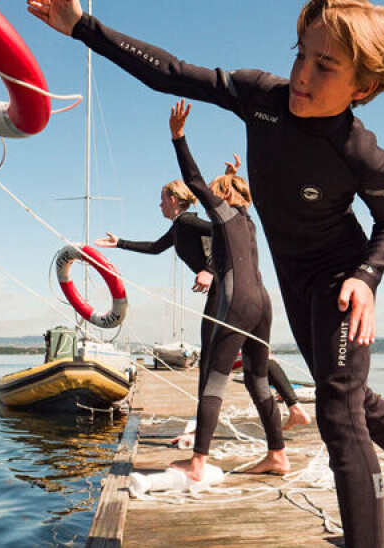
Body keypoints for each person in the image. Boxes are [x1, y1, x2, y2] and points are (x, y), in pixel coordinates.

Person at [26, 1, 384, 546]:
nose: (302, 75)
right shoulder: (262, 97)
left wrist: (367, 276)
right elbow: (170, 72)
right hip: (294, 281)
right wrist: (82, 28)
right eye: (301, 54)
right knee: (353, 400)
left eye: (325, 66)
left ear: (363, 87)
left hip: (339, 278)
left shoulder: (360, 152)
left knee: (338, 414)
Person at [94, 163, 312, 431]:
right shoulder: (178, 228)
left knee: (211, 357)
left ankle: (200, 427)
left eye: (162, 199)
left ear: (173, 199)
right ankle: (294, 406)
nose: (159, 205)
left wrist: (209, 270)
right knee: (249, 352)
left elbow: (224, 231)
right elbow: (154, 248)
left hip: (225, 288)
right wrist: (119, 243)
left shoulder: (187, 221)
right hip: (227, 290)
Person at [162, 99, 289, 480]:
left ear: (227, 198)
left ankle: (198, 462)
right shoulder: (247, 220)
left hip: (236, 303)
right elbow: (231, 192)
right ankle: (278, 454)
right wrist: (233, 175)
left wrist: (178, 138)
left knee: (213, 378)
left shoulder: (225, 212)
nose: (210, 200)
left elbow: (198, 183)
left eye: (220, 194)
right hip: (263, 302)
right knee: (257, 379)